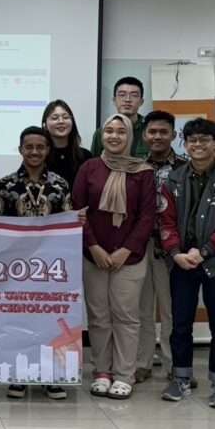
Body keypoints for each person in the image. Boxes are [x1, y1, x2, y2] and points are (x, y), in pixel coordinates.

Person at [160, 119, 215, 409]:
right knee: (180, 324)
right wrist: (175, 252)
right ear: (184, 144)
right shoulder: (174, 179)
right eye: (192, 140)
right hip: (182, 263)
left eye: (204, 140)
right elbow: (165, 221)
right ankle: (181, 378)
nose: (198, 145)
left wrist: (206, 251)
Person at [72, 114, 155, 400]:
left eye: (121, 131)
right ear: (102, 135)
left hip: (129, 257)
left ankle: (124, 374)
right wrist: (94, 247)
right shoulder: (89, 168)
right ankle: (102, 372)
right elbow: (78, 211)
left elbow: (147, 217)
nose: (114, 136)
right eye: (109, 131)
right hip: (93, 255)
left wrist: (125, 250)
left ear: (130, 136)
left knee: (126, 317)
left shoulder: (143, 172)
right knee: (98, 317)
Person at [0, 126, 73, 401]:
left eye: (40, 147)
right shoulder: (5, 186)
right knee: (17, 320)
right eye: (28, 147)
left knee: (50, 320)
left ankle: (51, 376)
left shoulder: (60, 185)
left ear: (48, 150)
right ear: (20, 149)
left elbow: (67, 223)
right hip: (15, 267)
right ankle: (19, 375)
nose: (34, 152)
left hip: (50, 267)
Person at [135, 111, 187, 384]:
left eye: (163, 132)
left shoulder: (185, 168)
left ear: (173, 135)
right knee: (141, 309)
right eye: (152, 132)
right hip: (140, 246)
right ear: (144, 135)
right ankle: (141, 363)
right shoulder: (135, 167)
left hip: (173, 248)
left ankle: (172, 364)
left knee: (170, 310)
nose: (157, 137)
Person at [91, 77, 148, 159]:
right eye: (122, 95)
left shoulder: (149, 130)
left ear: (141, 102)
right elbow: (95, 163)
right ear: (114, 100)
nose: (127, 99)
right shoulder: (102, 132)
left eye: (134, 95)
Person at [42, 99, 92, 187]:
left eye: (65, 117)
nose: (61, 121)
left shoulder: (86, 156)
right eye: (55, 118)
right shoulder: (40, 157)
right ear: (45, 125)